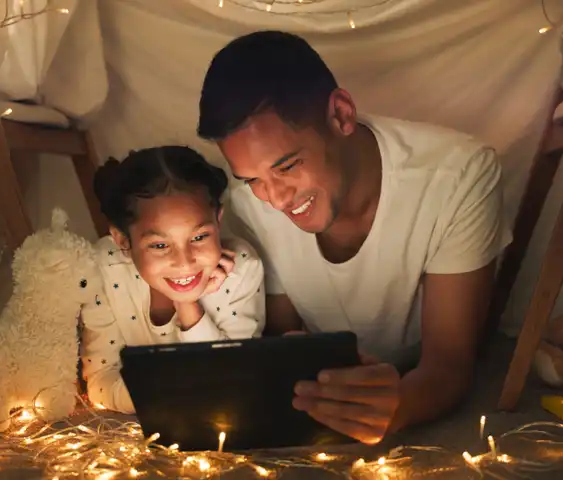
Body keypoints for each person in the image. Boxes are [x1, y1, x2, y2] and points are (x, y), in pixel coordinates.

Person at [197, 31, 512, 444]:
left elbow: (450, 365)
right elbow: (282, 337)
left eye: (287, 166)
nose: (274, 198)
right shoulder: (248, 206)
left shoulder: (457, 176)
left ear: (342, 114)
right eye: (253, 179)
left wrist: (400, 405)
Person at [80, 146, 265, 413]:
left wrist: (187, 304)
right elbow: (100, 381)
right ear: (123, 240)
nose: (185, 262)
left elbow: (232, 381)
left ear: (218, 220)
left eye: (200, 237)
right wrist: (182, 397)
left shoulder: (241, 270)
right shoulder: (104, 269)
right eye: (159, 246)